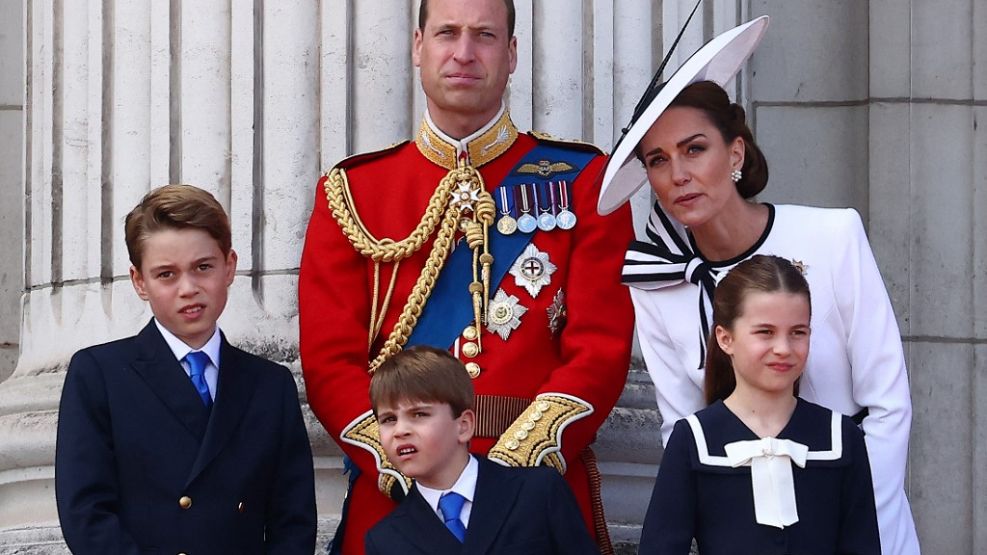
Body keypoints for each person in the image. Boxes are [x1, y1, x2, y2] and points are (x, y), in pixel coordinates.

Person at [299, 0, 634, 553]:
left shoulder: (584, 181)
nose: (463, 52)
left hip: (533, 489)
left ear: (512, 54)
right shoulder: (354, 192)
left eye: (484, 35)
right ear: (417, 47)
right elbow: (329, 360)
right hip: (399, 494)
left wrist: (503, 475)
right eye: (447, 33)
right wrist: (410, 461)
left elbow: (600, 348)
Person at [597, 17, 920, 555]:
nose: (678, 173)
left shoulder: (832, 235)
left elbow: (888, 407)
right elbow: (685, 430)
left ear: (737, 154)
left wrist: (848, 534)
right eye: (658, 160)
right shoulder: (656, 281)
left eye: (694, 148)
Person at [55, 184, 317, 554]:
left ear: (229, 267)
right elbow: (86, 514)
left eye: (203, 267)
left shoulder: (270, 385)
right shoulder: (99, 374)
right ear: (139, 282)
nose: (188, 288)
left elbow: (293, 521)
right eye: (166, 274)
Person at [639, 255, 881, 555]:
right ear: (726, 338)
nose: (783, 348)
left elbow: (863, 545)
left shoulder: (841, 436)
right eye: (765, 332)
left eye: (798, 332)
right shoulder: (695, 439)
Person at [364, 346, 600, 554]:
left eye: (419, 415)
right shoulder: (385, 539)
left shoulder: (537, 491)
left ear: (464, 425)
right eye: (388, 419)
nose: (400, 430)